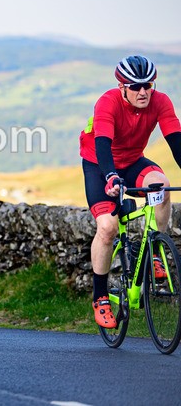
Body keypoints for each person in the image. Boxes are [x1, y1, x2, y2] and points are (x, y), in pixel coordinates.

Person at [79, 55, 181, 328]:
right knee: (108, 227)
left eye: (148, 85)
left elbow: (176, 142)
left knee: (161, 183)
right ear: (122, 87)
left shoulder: (160, 102)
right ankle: (100, 296)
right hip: (99, 164)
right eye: (135, 87)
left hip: (133, 161)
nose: (143, 91)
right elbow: (102, 145)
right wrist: (110, 176)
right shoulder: (108, 102)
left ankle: (156, 251)